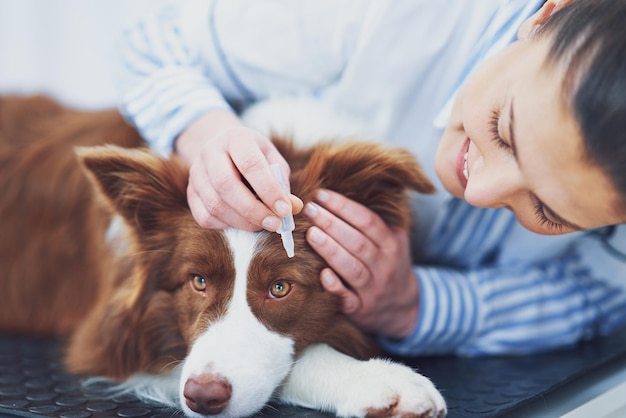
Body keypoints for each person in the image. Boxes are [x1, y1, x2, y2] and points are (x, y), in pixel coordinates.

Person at [116, 0, 626, 356]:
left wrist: (415, 304)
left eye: (547, 211)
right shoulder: (388, 11)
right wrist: (207, 137)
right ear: (547, 15)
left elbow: (599, 295)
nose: (480, 191)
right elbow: (153, 42)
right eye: (503, 130)